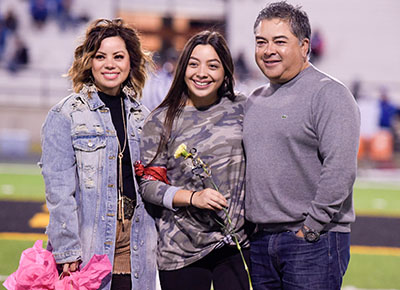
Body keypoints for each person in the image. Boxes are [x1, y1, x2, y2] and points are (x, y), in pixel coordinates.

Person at [243, 2, 361, 289]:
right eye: (261, 42)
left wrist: (310, 229)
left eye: (279, 41)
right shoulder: (254, 100)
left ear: (304, 45)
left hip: (312, 241)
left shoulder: (329, 94)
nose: (268, 50)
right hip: (260, 242)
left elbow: (340, 169)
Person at [39, 18, 157, 290]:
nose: (110, 64)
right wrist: (67, 249)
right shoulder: (65, 114)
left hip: (137, 247)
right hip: (88, 246)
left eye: (118, 56)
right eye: (100, 56)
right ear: (89, 62)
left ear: (131, 62)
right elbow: (59, 192)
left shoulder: (143, 117)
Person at [137, 30, 252, 290]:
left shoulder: (244, 108)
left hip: (235, 245)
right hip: (180, 250)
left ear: (225, 71)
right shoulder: (160, 120)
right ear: (182, 68)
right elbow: (148, 186)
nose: (202, 73)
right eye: (193, 64)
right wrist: (192, 197)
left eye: (213, 65)